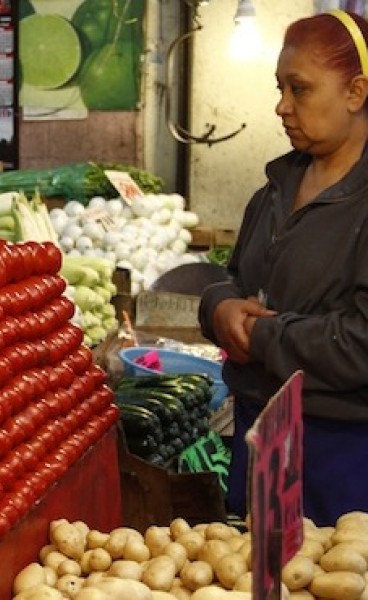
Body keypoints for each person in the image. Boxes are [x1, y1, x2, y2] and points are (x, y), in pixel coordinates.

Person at [198, 9, 368, 527]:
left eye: (300, 90)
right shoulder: (272, 191)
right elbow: (232, 280)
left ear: (356, 93)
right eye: (280, 88)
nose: (281, 107)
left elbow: (361, 343)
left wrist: (262, 338)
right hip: (260, 434)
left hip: (337, 453)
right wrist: (219, 307)